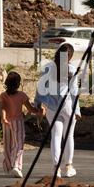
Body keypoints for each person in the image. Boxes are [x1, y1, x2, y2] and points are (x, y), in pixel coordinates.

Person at [35, 43, 81, 178]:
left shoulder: (48, 68)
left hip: (51, 106)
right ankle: (68, 166)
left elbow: (41, 88)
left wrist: (38, 103)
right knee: (69, 136)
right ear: (70, 57)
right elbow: (74, 92)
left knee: (56, 135)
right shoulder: (72, 70)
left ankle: (56, 168)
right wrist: (77, 109)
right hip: (67, 106)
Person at [0, 71, 44, 178]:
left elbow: (3, 108)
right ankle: (16, 166)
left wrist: (4, 118)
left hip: (6, 123)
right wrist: (39, 111)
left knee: (7, 145)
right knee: (18, 145)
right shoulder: (22, 95)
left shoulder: (3, 95)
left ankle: (9, 166)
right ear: (18, 84)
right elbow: (30, 109)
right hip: (18, 122)